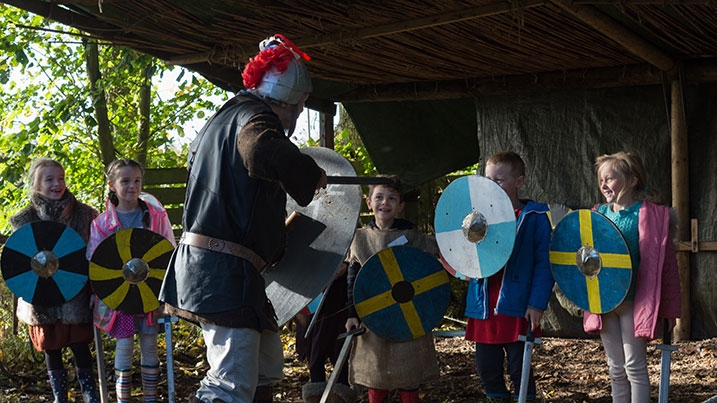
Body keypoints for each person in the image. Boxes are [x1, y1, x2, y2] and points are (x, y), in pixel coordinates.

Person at [159, 33, 327, 403]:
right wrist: (309, 172)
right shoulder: (255, 118)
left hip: (228, 272)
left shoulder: (222, 120)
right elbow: (263, 150)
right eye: (297, 107)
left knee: (262, 374)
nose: (297, 115)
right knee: (229, 386)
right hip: (222, 273)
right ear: (284, 100)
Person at [585, 151, 681, 403]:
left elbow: (666, 267)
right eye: (601, 180)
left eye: (610, 178)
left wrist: (668, 310)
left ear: (633, 180)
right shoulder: (597, 215)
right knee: (615, 368)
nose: (604, 184)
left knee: (634, 367)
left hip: (635, 302)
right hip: (606, 302)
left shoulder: (649, 216)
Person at [463, 151, 554, 403]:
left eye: (499, 181)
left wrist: (536, 303)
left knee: (519, 369)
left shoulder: (535, 217)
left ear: (519, 182)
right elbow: (465, 256)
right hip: (483, 307)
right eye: (488, 180)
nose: (492, 186)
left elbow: (544, 264)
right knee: (487, 369)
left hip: (517, 307)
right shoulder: (476, 219)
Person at [9, 158, 100, 403]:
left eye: (60, 178)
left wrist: (95, 291)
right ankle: (60, 397)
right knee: (52, 347)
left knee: (81, 346)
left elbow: (94, 256)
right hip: (41, 296)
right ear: (36, 185)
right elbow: (19, 262)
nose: (57, 184)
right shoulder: (24, 220)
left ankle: (90, 395)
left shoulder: (85, 216)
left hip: (76, 293)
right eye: (49, 179)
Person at [86, 158, 176, 402]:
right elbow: (96, 263)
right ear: (112, 185)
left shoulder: (156, 216)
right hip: (119, 295)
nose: (132, 186)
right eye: (125, 181)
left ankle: (150, 398)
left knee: (149, 347)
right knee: (124, 347)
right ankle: (123, 399)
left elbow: (169, 250)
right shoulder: (102, 223)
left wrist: (167, 294)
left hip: (150, 293)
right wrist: (97, 294)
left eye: (137, 180)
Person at [344, 175, 440, 403]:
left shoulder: (412, 236)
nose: (384, 203)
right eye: (379, 197)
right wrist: (351, 314)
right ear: (369, 203)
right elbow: (353, 279)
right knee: (376, 374)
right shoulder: (360, 239)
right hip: (373, 316)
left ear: (400, 206)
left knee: (409, 373)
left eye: (392, 198)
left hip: (408, 316)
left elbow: (432, 265)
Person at [295, 265, 355, 403]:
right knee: (314, 348)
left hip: (341, 294)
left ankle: (340, 393)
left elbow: (355, 251)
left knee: (340, 348)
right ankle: (315, 393)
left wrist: (346, 264)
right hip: (313, 291)